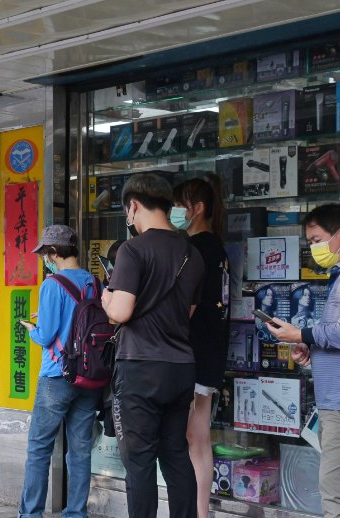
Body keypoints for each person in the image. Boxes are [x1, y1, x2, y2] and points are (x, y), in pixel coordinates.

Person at [100, 173, 204, 518]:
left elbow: (120, 312)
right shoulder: (192, 253)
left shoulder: (133, 249)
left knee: (140, 460)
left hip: (141, 367)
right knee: (176, 453)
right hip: (180, 367)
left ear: (133, 206)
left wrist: (106, 297)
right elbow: (186, 313)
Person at [17, 224, 102, 518]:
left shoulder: (52, 284)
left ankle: (31, 514)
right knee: (80, 450)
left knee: (39, 448)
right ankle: (76, 513)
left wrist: (31, 329)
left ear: (54, 252)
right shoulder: (94, 282)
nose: (44, 259)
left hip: (57, 375)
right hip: (90, 375)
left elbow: (46, 334)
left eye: (45, 253)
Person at [266, 203, 340, 518]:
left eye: (317, 239)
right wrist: (310, 355)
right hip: (331, 399)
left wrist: (303, 335)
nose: (315, 248)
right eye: (309, 242)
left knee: (332, 490)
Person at [172, 175, 230, 518]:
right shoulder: (216, 246)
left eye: (181, 205)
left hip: (191, 351)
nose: (176, 211)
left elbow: (186, 307)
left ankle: (196, 512)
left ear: (197, 208)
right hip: (211, 350)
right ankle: (201, 512)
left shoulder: (196, 249)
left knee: (191, 438)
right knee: (200, 436)